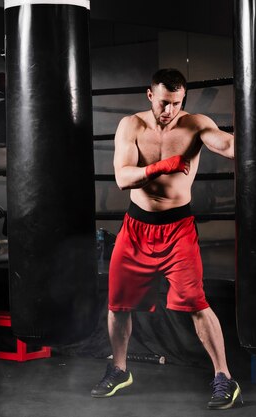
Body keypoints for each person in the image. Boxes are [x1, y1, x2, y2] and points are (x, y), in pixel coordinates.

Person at [90, 68, 240, 410]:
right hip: (135, 228)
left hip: (178, 230)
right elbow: (123, 178)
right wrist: (161, 166)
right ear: (149, 95)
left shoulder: (196, 124)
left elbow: (229, 145)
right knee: (118, 303)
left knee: (196, 303)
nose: (169, 110)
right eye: (163, 102)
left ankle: (224, 378)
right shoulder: (132, 126)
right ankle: (118, 369)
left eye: (176, 103)